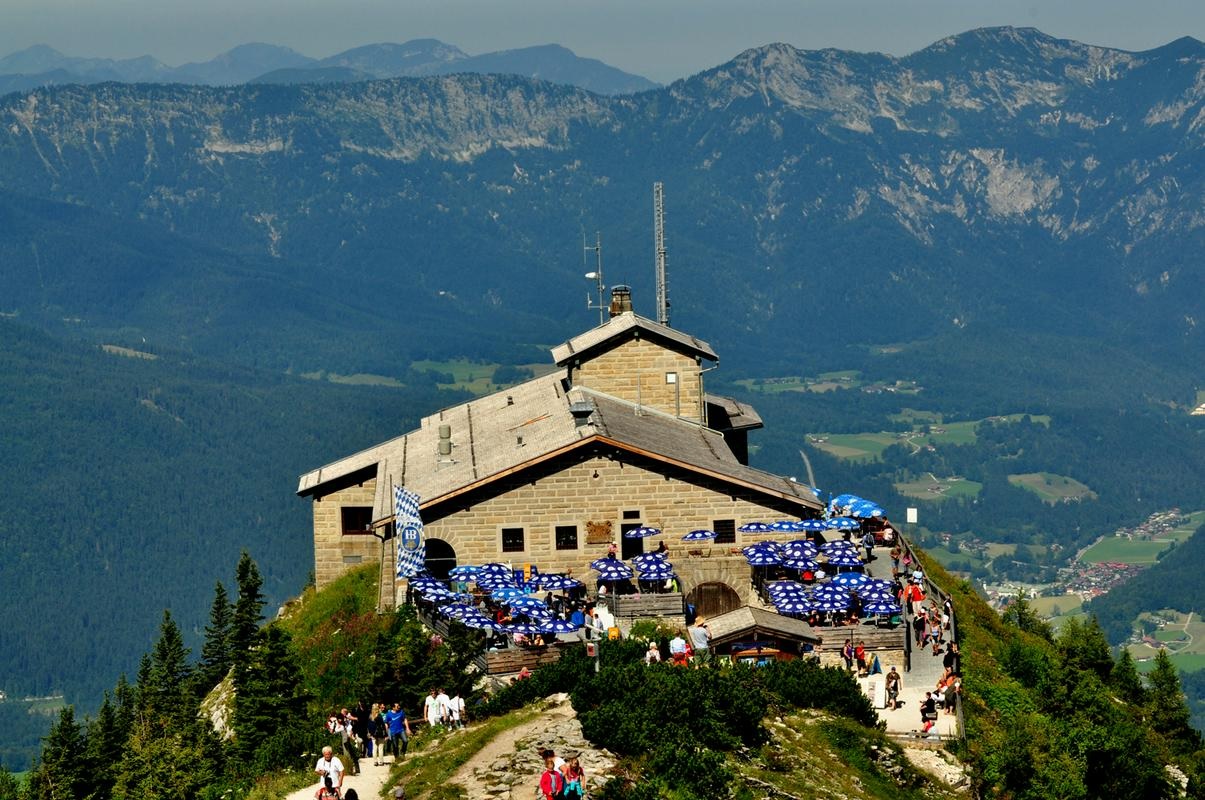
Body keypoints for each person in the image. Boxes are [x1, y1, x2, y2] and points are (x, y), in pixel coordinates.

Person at [338, 708, 359, 775]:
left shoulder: (347, 717)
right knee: (349, 751)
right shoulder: (343, 718)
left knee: (347, 751)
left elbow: (351, 720)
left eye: (343, 712)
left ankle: (349, 769)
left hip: (346, 737)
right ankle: (354, 767)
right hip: (346, 736)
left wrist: (355, 718)